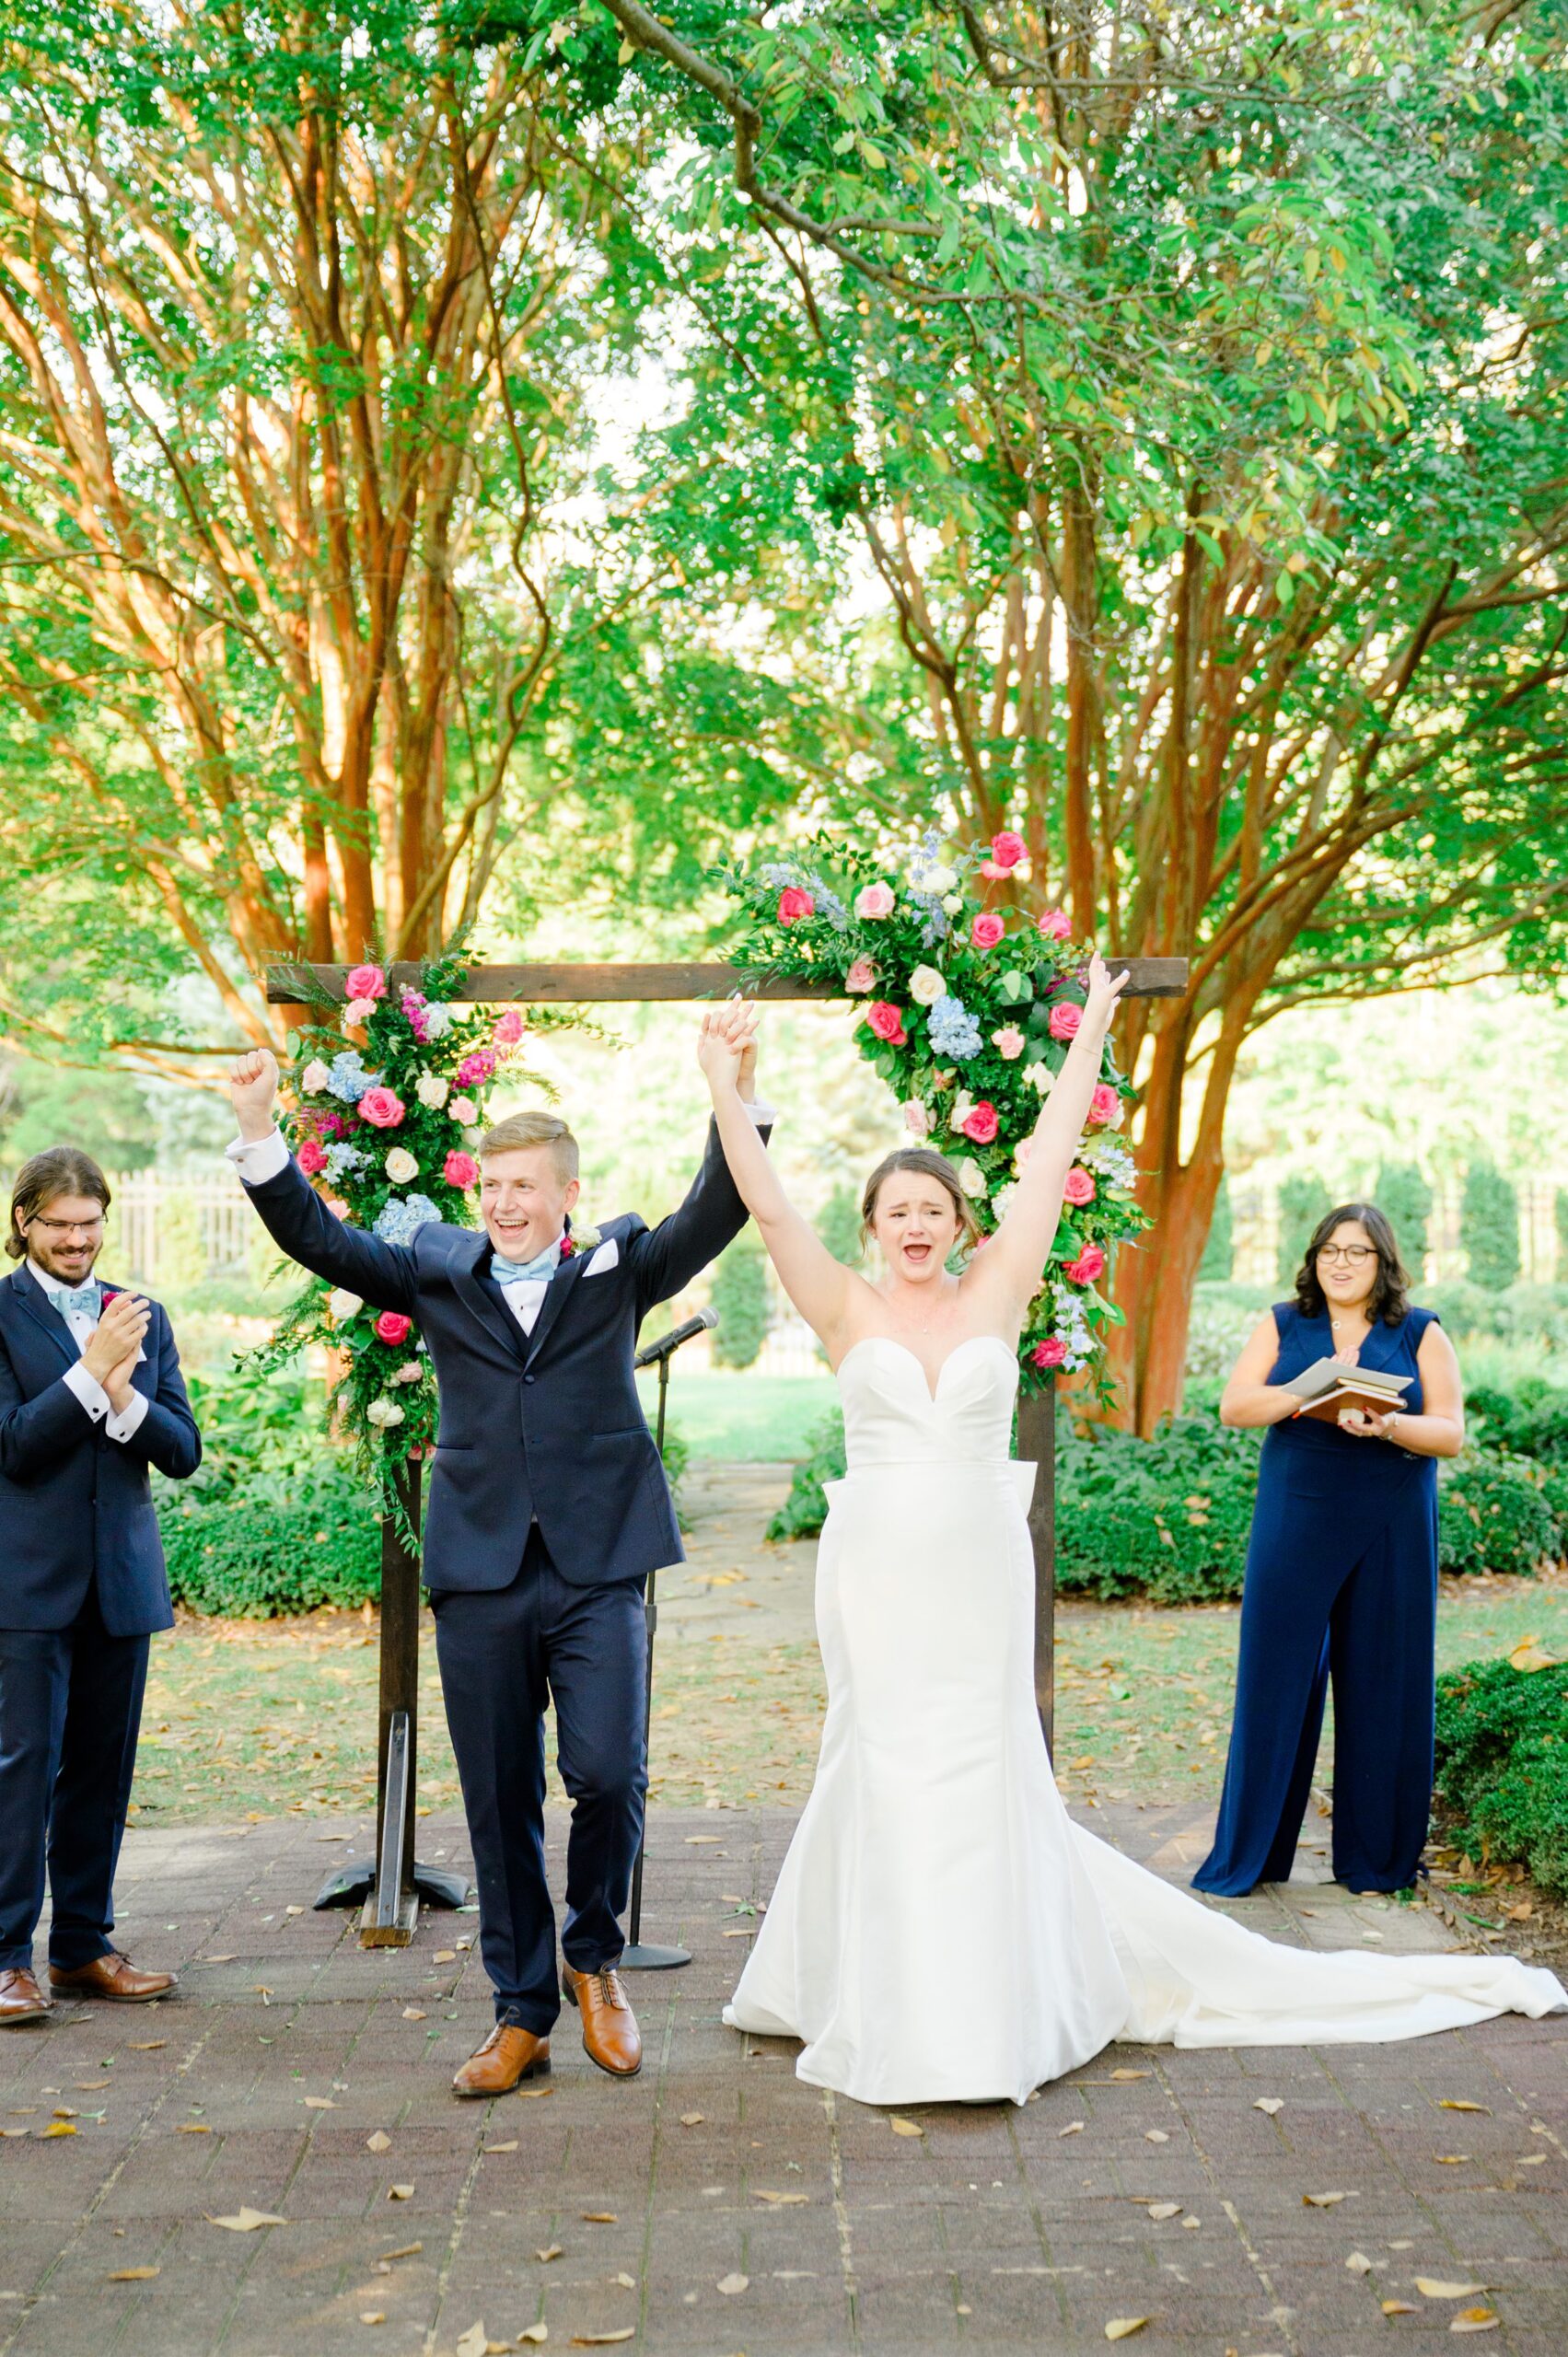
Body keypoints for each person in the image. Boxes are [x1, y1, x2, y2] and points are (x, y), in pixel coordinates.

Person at [696, 984, 1562, 2107]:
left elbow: (1052, 1161)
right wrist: (726, 1090)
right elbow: (766, 1209)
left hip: (974, 1573)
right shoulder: (841, 1306)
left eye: (933, 1209)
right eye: (895, 1211)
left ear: (961, 1225)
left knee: (974, 1756)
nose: (914, 1226)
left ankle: (986, 2002)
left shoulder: (997, 1294)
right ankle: (875, 1986)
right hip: (873, 1575)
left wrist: (1091, 1034)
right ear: (871, 1227)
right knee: (883, 1752)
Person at [226, 1044, 772, 2098]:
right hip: (479, 1568)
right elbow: (319, 1239)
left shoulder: (620, 1266)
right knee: (496, 1794)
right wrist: (260, 1127)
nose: (505, 1201)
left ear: (569, 1192)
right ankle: (519, 2013)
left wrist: (731, 1092)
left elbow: (718, 1206)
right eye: (492, 1184)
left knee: (609, 1772)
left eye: (526, 1185)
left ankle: (594, 1961)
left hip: (599, 1563)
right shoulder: (436, 1267)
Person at [1192, 1204, 1464, 1898]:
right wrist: (1306, 1389)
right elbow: (1234, 1406)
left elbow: (1450, 1433)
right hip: (1297, 1514)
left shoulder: (1421, 1330)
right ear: (1313, 1259)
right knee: (1273, 1678)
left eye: (1357, 1252)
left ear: (1383, 1263)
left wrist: (1389, 1423)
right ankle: (1250, 1856)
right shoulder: (1285, 1323)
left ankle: (1377, 1862)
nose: (1340, 1263)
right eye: (1329, 1250)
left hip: (1389, 1519)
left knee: (1386, 1679)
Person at [0, 1148, 202, 2026]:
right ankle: (6, 1960)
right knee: (21, 1772)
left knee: (100, 1774)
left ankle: (81, 1945)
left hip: (120, 1582)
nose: (78, 1240)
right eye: (60, 1225)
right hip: (25, 1586)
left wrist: (124, 1397)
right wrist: (90, 1377)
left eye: (90, 1224)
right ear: (24, 1224)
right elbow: (11, 1445)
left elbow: (183, 1450)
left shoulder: (139, 1315)